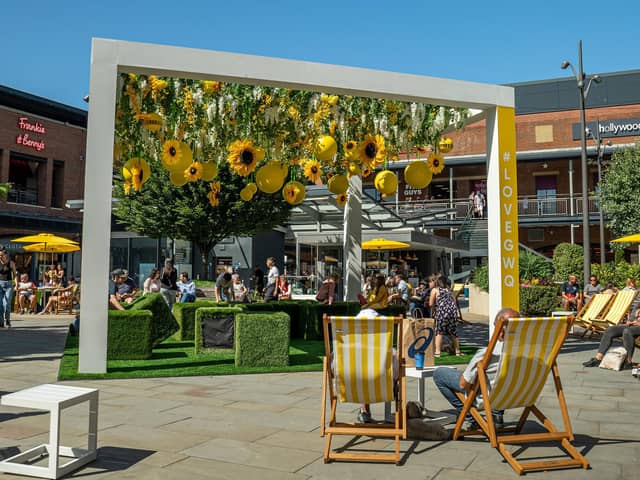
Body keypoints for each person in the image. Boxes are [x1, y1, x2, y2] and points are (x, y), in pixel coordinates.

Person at [433, 307, 520, 430]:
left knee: (440, 373)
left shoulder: (488, 353)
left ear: (499, 329)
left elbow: (464, 385)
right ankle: (497, 416)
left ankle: (472, 418)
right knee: (499, 378)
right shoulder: (529, 352)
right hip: (515, 395)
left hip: (486, 396)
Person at [69, 271, 124, 336]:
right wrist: (123, 311)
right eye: (122, 278)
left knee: (83, 317)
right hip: (97, 303)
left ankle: (75, 329)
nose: (123, 279)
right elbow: (113, 299)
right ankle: (76, 329)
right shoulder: (112, 284)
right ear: (116, 277)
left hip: (93, 301)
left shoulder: (110, 283)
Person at [429, 275, 462, 357]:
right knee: (453, 333)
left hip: (442, 313)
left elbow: (431, 304)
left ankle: (437, 352)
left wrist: (434, 311)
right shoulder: (449, 291)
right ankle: (457, 351)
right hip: (452, 313)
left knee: (439, 332)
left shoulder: (435, 290)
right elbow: (454, 302)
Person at [0, 248, 17, 327]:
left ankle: (7, 320)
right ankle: (1, 322)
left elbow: (15, 275)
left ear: (5, 255)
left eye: (1, 255)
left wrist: (16, 284)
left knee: (6, 303)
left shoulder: (11, 263)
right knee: (0, 304)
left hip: (9, 285)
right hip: (0, 284)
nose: (0, 257)